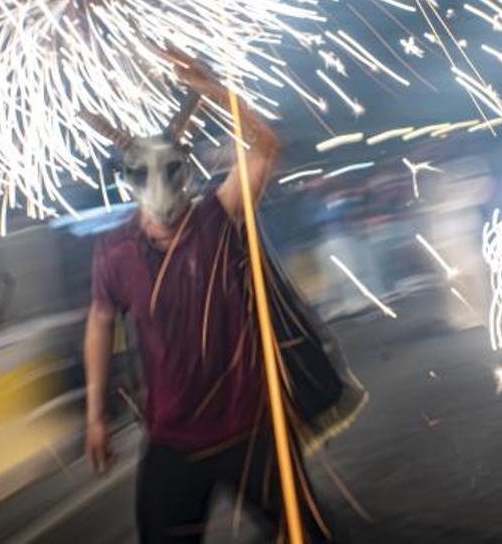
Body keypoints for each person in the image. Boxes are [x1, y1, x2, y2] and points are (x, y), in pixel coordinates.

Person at [82, 53, 352, 543]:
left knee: (307, 536)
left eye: (171, 171)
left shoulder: (216, 217)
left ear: (185, 173)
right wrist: (96, 416)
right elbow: (100, 321)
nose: (160, 188)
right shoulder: (115, 249)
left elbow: (266, 145)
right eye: (142, 174)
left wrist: (210, 87)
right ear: (127, 180)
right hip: (171, 439)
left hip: (252, 430)